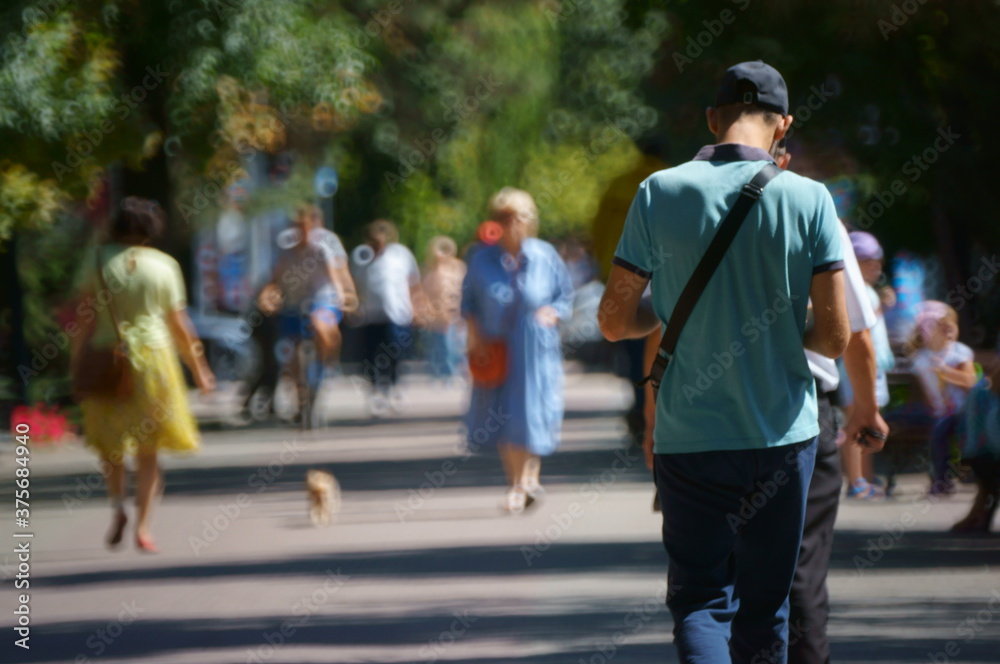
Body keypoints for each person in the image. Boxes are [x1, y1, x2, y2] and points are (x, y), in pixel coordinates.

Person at [599, 61, 851, 663]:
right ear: (783, 125)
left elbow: (612, 320)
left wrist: (664, 311)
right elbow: (835, 337)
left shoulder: (658, 191)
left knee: (701, 599)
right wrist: (781, 327)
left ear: (713, 119)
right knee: (767, 607)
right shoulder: (811, 198)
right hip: (782, 434)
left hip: (690, 437)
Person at [784, 145, 889, 663]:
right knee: (801, 562)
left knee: (721, 576)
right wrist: (865, 408)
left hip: (708, 410)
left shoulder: (683, 205)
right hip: (802, 407)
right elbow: (856, 330)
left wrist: (654, 421)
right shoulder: (812, 208)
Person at [72, 197, 216, 553]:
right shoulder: (164, 266)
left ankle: (117, 504)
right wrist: (200, 370)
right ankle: (144, 527)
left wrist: (76, 364)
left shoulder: (96, 260)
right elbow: (180, 326)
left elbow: (83, 320)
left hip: (108, 360)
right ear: (152, 228)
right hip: (154, 361)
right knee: (148, 448)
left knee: (110, 443)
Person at [462, 187, 574, 513]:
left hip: (536, 350)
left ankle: (529, 479)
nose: (509, 224)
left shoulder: (545, 255)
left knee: (535, 412)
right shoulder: (480, 258)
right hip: (498, 347)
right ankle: (517, 483)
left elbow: (565, 296)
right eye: (502, 217)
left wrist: (553, 313)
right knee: (505, 413)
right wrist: (475, 339)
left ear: (529, 220)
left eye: (515, 217)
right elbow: (468, 304)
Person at [261, 204, 356, 418]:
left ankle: (328, 362)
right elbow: (274, 280)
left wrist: (345, 294)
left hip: (321, 299)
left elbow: (337, 274)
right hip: (295, 303)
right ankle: (302, 399)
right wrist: (267, 297)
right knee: (291, 355)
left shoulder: (324, 247)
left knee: (320, 324)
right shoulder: (286, 250)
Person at [350, 219, 426, 414]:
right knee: (370, 356)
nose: (378, 244)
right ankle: (376, 392)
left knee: (397, 354)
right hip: (369, 316)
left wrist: (418, 308)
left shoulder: (401, 255)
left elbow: (413, 283)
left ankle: (395, 388)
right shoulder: (360, 256)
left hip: (397, 314)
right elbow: (353, 284)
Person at [908, 301, 979, 494]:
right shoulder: (920, 358)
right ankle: (942, 477)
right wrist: (931, 406)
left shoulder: (959, 352)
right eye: (942, 326)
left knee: (941, 430)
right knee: (921, 422)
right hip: (936, 411)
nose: (949, 330)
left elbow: (970, 381)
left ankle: (943, 478)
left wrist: (945, 371)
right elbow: (924, 393)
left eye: (951, 326)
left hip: (961, 411)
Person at [421, 236, 467, 382]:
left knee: (458, 346)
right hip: (438, 316)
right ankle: (443, 374)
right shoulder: (430, 269)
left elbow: (464, 289)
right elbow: (426, 292)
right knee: (441, 346)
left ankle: (458, 373)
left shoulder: (458, 267)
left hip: (456, 313)